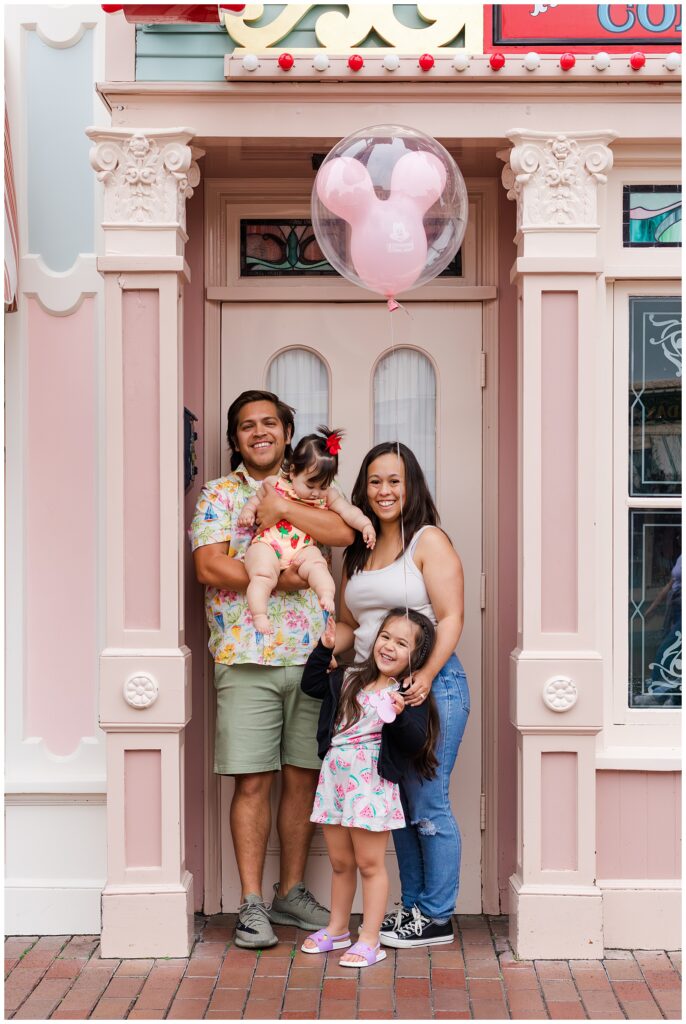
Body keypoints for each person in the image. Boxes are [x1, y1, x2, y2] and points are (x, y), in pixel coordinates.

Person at [191, 389, 354, 949]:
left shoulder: (311, 484)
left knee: (304, 777)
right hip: (246, 655)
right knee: (254, 781)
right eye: (245, 426)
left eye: (268, 423)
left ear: (287, 431)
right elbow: (209, 564)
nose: (258, 432)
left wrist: (285, 508)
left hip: (311, 657)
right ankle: (252, 904)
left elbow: (343, 533)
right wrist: (282, 579)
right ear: (235, 439)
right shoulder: (219, 493)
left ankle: (290, 893)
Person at [335, 441, 470, 948]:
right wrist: (329, 646)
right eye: (374, 481)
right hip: (379, 695)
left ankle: (437, 916)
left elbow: (452, 615)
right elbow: (352, 624)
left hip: (432, 686)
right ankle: (413, 908)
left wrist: (428, 674)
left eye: (394, 480)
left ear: (410, 485)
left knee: (428, 801)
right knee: (398, 802)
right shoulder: (359, 547)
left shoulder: (427, 541)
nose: (384, 490)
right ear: (363, 490)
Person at [298, 608, 440, 967]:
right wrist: (324, 649)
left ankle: (370, 939)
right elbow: (311, 684)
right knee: (341, 861)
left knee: (369, 863)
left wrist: (400, 714)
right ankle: (337, 929)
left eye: (402, 643)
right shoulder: (348, 677)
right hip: (335, 779)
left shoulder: (407, 694)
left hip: (370, 784)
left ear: (416, 657)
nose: (389, 646)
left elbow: (414, 740)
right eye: (386, 637)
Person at [238, 426, 376, 634]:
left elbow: (349, 512)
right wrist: (248, 512)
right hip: (268, 544)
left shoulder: (328, 495)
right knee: (262, 574)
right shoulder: (274, 484)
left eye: (323, 485)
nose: (316, 493)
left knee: (317, 564)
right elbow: (255, 501)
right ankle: (259, 614)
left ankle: (326, 595)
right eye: (310, 485)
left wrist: (365, 525)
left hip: (301, 549)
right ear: (293, 472)